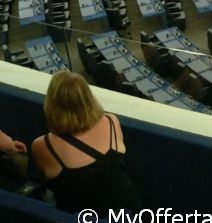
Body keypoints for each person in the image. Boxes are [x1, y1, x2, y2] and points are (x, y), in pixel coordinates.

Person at [31, 71, 139, 213]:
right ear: (88, 97)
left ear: (52, 103)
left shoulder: (43, 145)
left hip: (79, 219)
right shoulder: (112, 121)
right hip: (124, 208)